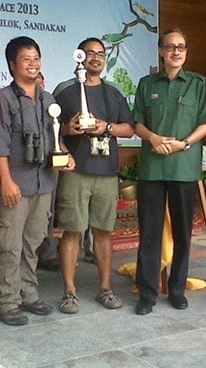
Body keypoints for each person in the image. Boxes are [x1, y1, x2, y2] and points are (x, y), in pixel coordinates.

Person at [0, 36, 74, 326]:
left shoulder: (48, 99)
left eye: (36, 57)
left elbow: (55, 137)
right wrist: (6, 181)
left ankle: (29, 293)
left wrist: (65, 154)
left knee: (33, 242)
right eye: (26, 58)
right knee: (8, 244)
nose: (33, 63)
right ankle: (7, 301)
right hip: (16, 184)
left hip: (44, 184)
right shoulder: (4, 98)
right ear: (12, 65)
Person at [133, 27, 206, 315]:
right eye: (170, 47)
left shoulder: (197, 83)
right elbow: (137, 122)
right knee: (150, 233)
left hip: (184, 166)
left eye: (181, 47)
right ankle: (147, 293)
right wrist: (154, 138)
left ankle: (177, 290)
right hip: (153, 168)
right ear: (161, 51)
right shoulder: (146, 83)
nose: (176, 51)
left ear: (186, 52)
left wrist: (184, 143)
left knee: (182, 232)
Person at [53, 37, 134, 314]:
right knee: (72, 231)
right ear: (80, 56)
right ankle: (70, 292)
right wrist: (67, 132)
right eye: (90, 53)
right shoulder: (64, 90)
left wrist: (106, 127)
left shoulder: (113, 92)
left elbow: (129, 129)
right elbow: (51, 128)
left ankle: (105, 288)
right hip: (76, 171)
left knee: (103, 232)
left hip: (107, 173)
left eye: (100, 54)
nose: (96, 58)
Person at [34, 72, 62, 272]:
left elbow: (58, 132)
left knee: (48, 212)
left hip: (50, 163)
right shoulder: (9, 99)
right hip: (23, 167)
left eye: (40, 82)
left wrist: (64, 154)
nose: (38, 86)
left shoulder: (50, 102)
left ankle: (48, 252)